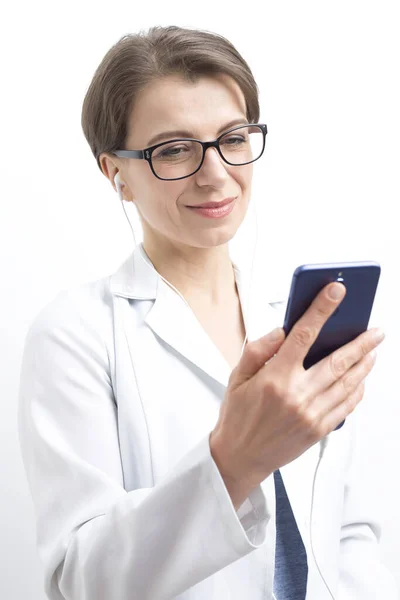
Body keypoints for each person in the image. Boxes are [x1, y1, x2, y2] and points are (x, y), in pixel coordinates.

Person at [17, 25, 398, 600]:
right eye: (173, 149)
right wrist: (234, 462)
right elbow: (81, 580)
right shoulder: (75, 335)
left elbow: (352, 530)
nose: (216, 173)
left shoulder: (300, 320)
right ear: (114, 173)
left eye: (234, 138)